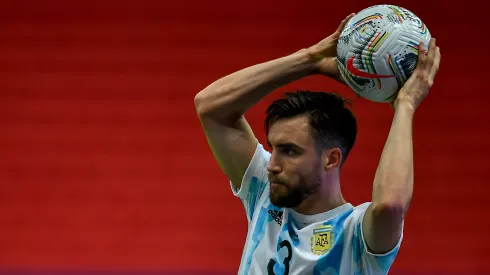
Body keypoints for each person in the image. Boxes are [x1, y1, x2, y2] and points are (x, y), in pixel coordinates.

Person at [194, 13, 440, 275]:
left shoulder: (356, 236)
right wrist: (309, 59)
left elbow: (390, 204)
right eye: (273, 148)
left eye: (290, 151)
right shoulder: (265, 195)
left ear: (331, 159)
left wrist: (405, 105)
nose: (272, 165)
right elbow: (210, 107)